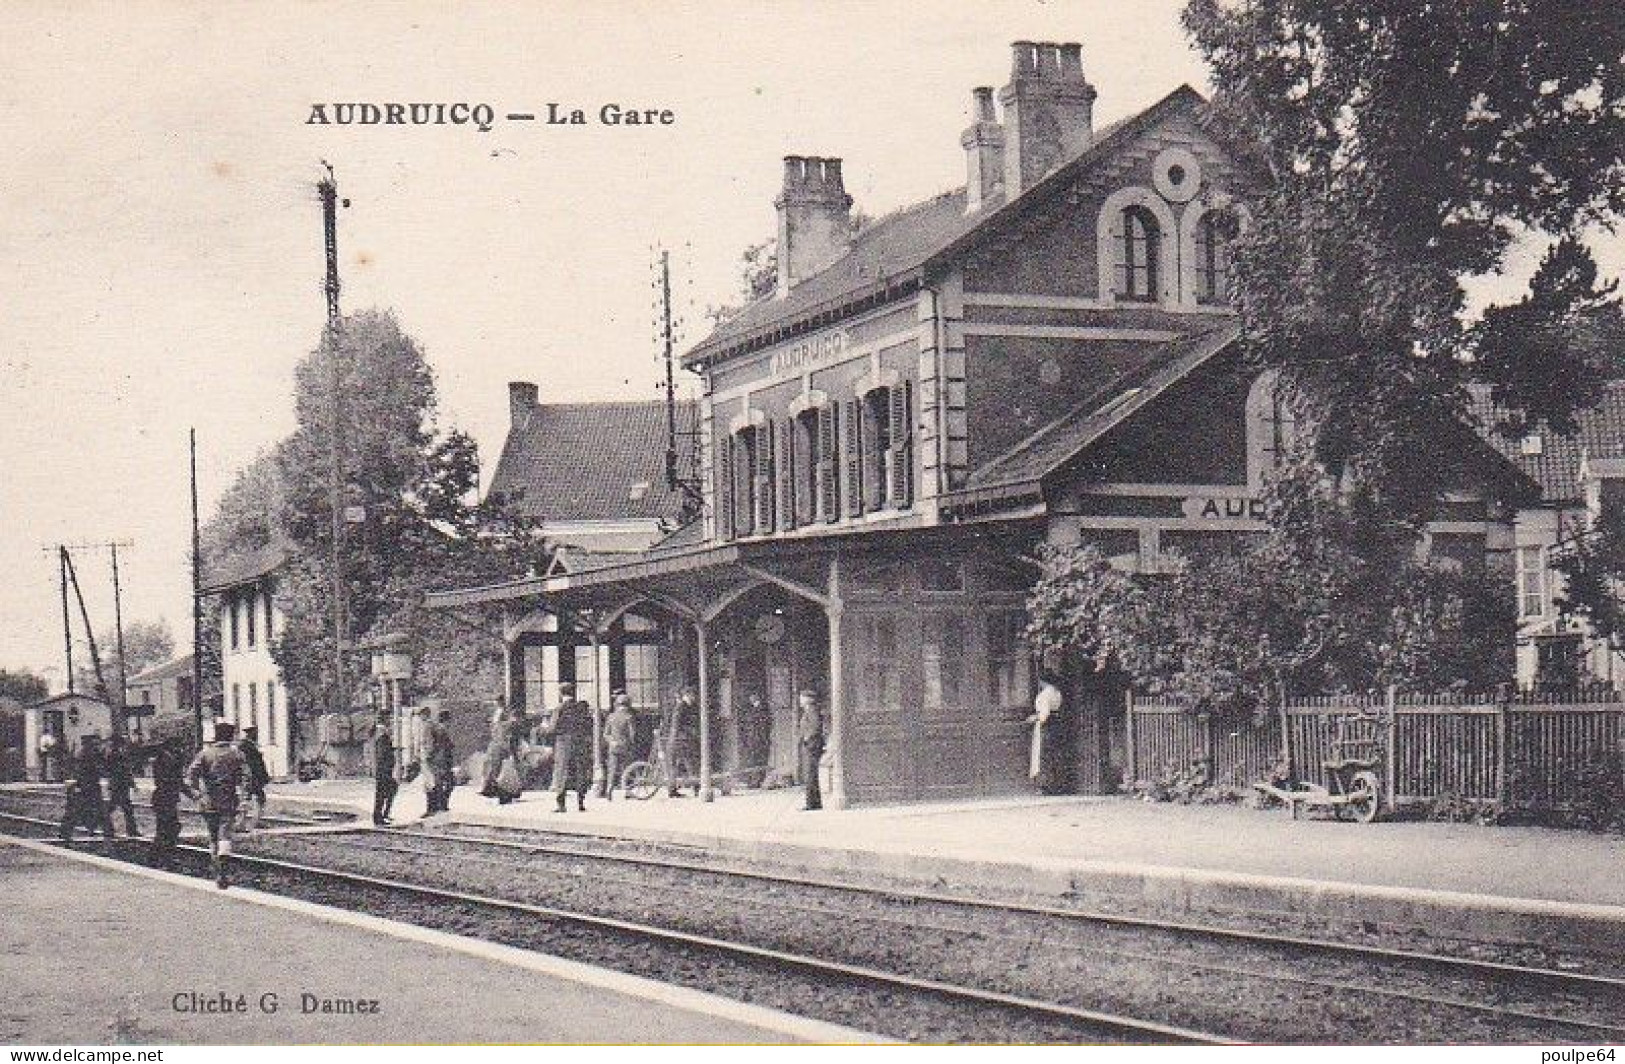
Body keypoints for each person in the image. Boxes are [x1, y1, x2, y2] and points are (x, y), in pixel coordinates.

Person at [186, 720, 247, 889]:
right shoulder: (237, 755)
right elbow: (245, 778)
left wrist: (196, 793)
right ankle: (224, 859)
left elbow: (191, 774)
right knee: (225, 834)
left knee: (213, 837)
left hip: (209, 801)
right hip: (228, 800)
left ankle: (218, 872)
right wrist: (244, 798)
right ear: (230, 736)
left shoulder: (205, 754)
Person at [58, 733, 114, 840]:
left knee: (99, 811)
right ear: (88, 744)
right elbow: (97, 770)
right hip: (85, 788)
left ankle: (108, 833)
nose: (97, 746)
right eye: (95, 744)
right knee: (77, 812)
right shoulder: (85, 755)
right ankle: (65, 833)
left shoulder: (88, 754)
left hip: (90, 787)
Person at [147, 735, 193, 864]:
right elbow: (174, 781)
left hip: (165, 798)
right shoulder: (165, 760)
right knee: (169, 828)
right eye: (179, 747)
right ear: (173, 747)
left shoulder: (167, 759)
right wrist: (191, 794)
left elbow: (177, 781)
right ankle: (161, 855)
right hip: (164, 798)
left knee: (167, 828)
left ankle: (160, 855)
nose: (181, 750)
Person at [548, 683, 593, 813]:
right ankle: (580, 803)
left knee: (562, 772)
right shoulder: (581, 709)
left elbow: (552, 728)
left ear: (561, 694)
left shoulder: (559, 709)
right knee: (580, 771)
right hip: (579, 743)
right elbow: (588, 725)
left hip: (563, 743)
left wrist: (544, 729)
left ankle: (561, 805)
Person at [660, 685, 699, 798]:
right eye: (692, 695)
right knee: (691, 764)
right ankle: (697, 788)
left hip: (677, 739)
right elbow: (676, 724)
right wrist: (689, 732)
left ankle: (672, 790)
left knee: (676, 765)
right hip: (681, 740)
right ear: (687, 695)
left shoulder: (682, 706)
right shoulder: (682, 706)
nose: (694, 697)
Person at [481, 705, 525, 805]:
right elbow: (509, 742)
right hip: (501, 751)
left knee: (495, 773)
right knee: (503, 774)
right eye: (520, 718)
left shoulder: (500, 725)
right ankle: (503, 796)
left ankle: (495, 794)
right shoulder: (512, 726)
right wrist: (513, 755)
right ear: (517, 717)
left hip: (494, 750)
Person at [1029, 673, 1064, 792]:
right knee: (1055, 755)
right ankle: (1056, 784)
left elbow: (1044, 715)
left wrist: (1035, 718)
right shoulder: (1057, 693)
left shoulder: (1044, 695)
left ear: (1042, 681)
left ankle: (1046, 786)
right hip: (1056, 724)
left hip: (1047, 726)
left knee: (1044, 755)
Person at [104, 733, 141, 837]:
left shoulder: (114, 754)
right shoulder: (115, 754)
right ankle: (130, 830)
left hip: (119, 784)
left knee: (123, 808)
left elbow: (125, 771)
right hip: (119, 784)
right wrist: (132, 784)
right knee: (124, 808)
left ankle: (130, 830)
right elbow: (124, 771)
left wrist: (132, 784)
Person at [422, 708, 456, 816]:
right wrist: (430, 756)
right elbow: (436, 745)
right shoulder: (440, 729)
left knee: (438, 783)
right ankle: (437, 807)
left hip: (440, 760)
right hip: (439, 761)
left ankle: (437, 807)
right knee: (438, 784)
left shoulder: (438, 728)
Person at [796, 689, 826, 811]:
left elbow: (815, 726)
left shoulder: (811, 710)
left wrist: (807, 739)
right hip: (811, 745)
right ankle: (815, 803)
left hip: (812, 746)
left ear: (808, 699)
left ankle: (811, 804)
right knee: (811, 774)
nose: (800, 700)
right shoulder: (809, 710)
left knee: (810, 775)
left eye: (802, 698)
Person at [603, 691, 636, 800]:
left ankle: (609, 790)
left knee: (612, 769)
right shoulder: (629, 717)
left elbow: (606, 734)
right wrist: (632, 743)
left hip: (613, 747)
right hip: (625, 746)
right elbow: (632, 734)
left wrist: (611, 741)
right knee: (626, 769)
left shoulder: (611, 717)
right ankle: (627, 791)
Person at [238, 726, 271, 831]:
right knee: (250, 799)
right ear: (249, 734)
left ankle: (251, 821)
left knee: (255, 798)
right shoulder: (246, 746)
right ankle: (244, 822)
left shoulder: (249, 745)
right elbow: (254, 764)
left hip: (252, 778)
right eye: (254, 733)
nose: (256, 735)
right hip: (251, 778)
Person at [371, 716, 397, 825]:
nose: (390, 726)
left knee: (384, 793)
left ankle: (381, 815)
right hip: (384, 770)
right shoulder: (382, 736)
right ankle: (380, 816)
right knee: (385, 792)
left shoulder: (380, 736)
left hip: (382, 770)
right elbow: (382, 754)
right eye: (389, 722)